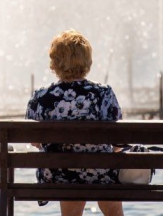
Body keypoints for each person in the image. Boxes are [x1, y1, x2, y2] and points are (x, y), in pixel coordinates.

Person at [25, 29, 124, 216]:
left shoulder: (42, 96)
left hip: (57, 174)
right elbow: (118, 142)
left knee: (69, 174)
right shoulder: (103, 94)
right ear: (88, 61)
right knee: (106, 178)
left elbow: (34, 141)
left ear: (54, 63)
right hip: (100, 172)